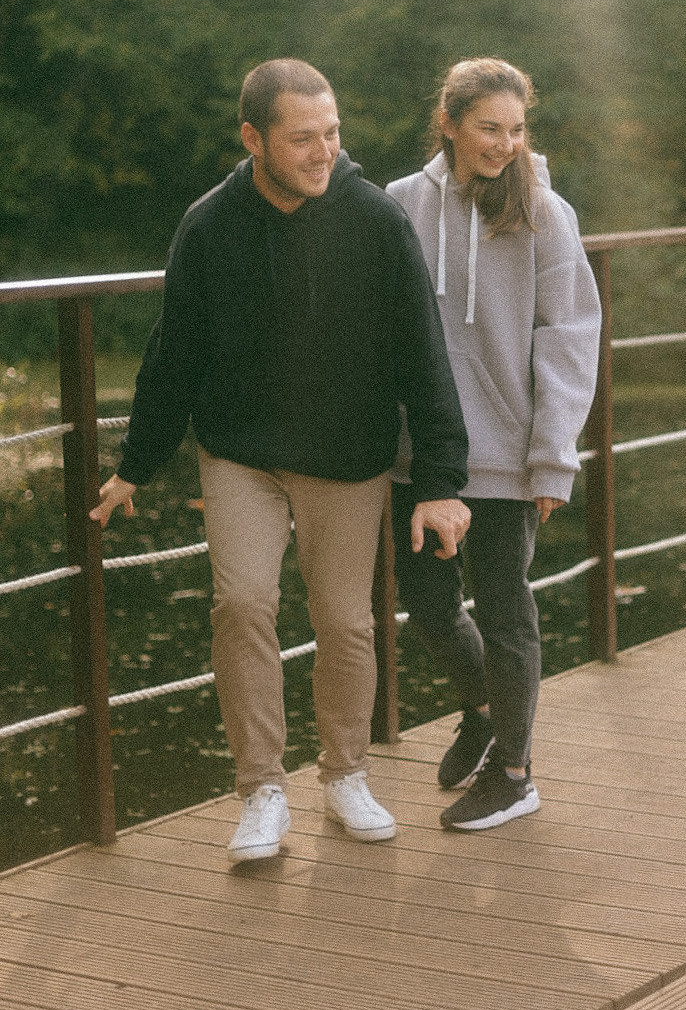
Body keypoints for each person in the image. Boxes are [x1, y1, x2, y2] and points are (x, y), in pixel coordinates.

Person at [90, 59, 470, 862]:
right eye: (302, 138)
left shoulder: (375, 222)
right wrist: (136, 463)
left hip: (347, 454)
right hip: (242, 454)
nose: (323, 151)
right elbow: (175, 356)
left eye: (332, 133)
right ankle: (261, 790)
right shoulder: (208, 225)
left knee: (344, 621)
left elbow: (423, 357)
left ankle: (344, 775)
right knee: (242, 604)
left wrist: (440, 482)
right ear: (253, 138)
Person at [387, 58, 601, 831]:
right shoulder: (402, 204)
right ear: (449, 123)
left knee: (507, 610)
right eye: (489, 127)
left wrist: (553, 453)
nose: (505, 143)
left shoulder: (544, 209)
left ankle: (514, 772)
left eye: (516, 128)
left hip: (510, 451)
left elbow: (571, 337)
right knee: (429, 605)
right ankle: (481, 709)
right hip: (422, 453)